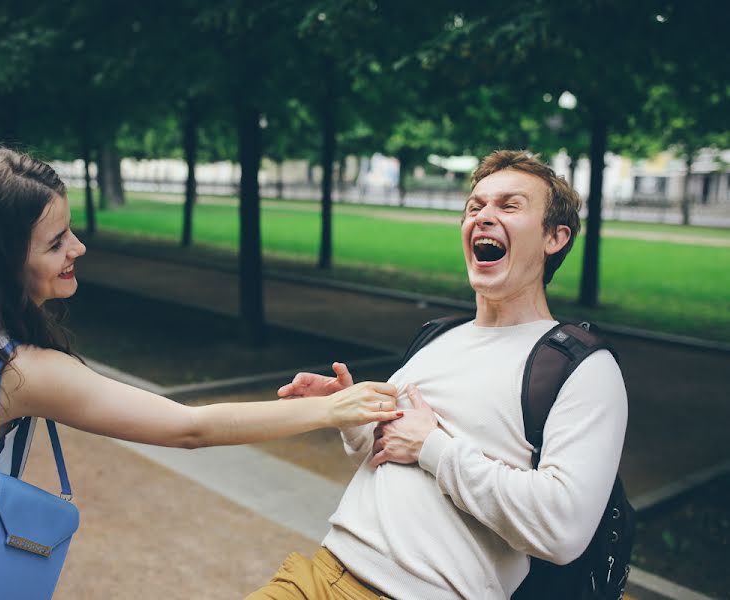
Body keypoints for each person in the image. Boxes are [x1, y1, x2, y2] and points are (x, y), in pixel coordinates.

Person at [0, 148, 403, 599]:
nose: (77, 247)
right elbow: (188, 428)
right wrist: (328, 410)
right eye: (56, 242)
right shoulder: (16, 372)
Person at [247, 150, 628, 600]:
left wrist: (434, 448)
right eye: (475, 206)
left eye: (508, 206)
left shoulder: (581, 368)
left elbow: (562, 530)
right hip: (322, 575)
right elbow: (389, 455)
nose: (484, 216)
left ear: (554, 237)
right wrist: (351, 416)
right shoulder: (436, 338)